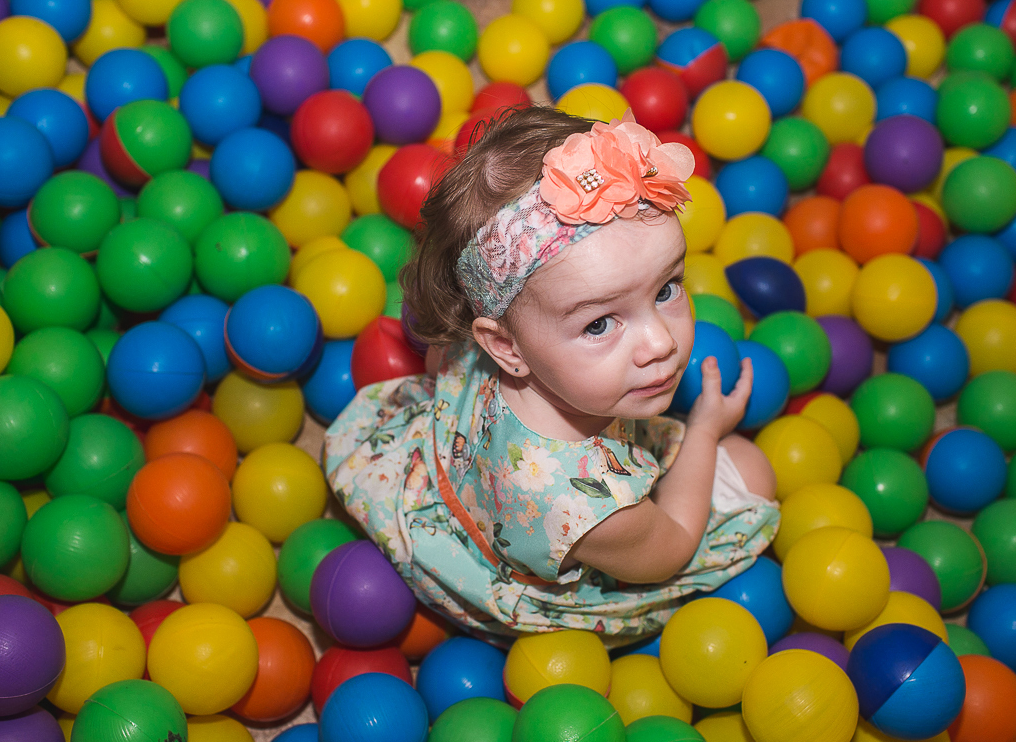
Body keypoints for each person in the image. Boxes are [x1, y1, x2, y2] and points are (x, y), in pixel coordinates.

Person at [324, 106, 779, 643]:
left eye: (666, 289)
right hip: (532, 548)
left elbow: (435, 364)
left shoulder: (483, 341)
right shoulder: (588, 505)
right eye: (599, 323)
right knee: (751, 468)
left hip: (451, 474)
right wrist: (704, 429)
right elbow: (673, 547)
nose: (662, 342)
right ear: (505, 347)